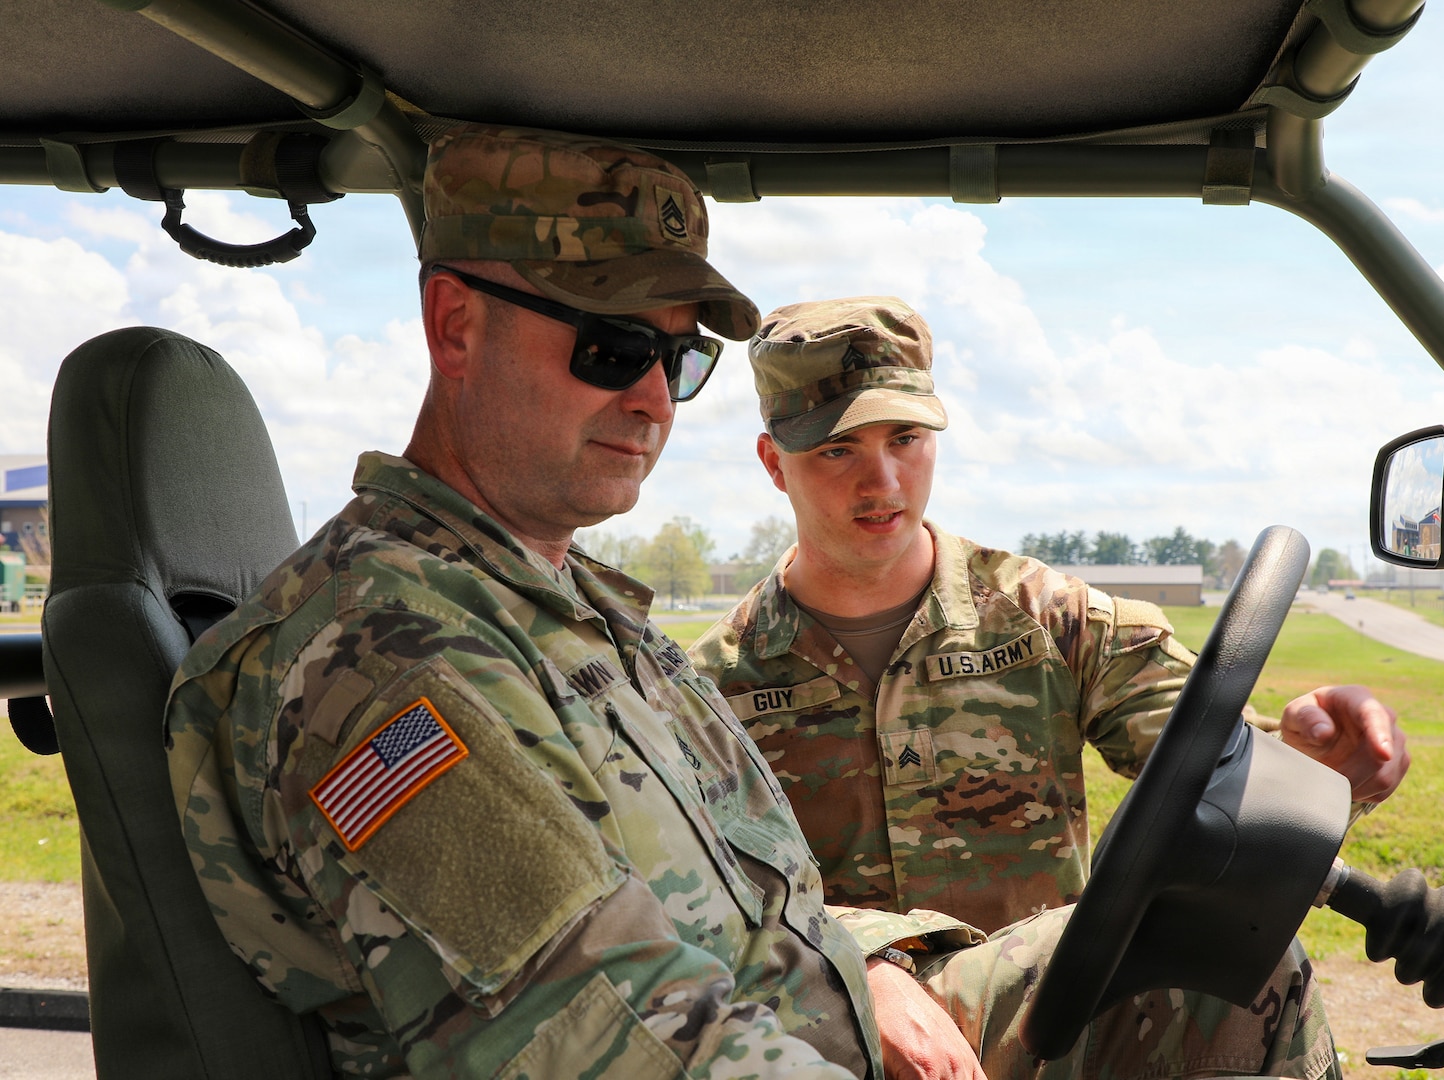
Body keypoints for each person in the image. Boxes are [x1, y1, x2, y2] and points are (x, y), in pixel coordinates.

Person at [164, 128, 1336, 1080]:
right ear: (453, 324)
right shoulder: (376, 659)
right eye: (614, 345)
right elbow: (597, 1039)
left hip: (819, 1019)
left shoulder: (567, 608)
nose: (652, 403)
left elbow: (758, 901)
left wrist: (868, 967)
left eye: (677, 362)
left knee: (1218, 960)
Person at [690, 295, 1412, 1073]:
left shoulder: (1049, 618)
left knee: (1239, 961)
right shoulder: (709, 685)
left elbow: (1205, 759)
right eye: (837, 450)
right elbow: (696, 901)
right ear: (774, 463)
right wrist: (861, 960)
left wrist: (1309, 761)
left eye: (906, 438)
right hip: (823, 1031)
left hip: (1048, 1026)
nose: (884, 480)